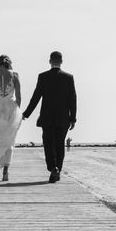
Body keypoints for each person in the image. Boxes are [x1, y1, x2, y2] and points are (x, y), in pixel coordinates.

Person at [22, 51, 76, 183]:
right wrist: (73, 118)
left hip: (47, 118)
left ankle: (52, 168)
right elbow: (72, 99)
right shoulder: (69, 77)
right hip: (63, 118)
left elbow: (36, 97)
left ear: (50, 61)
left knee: (48, 144)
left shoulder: (43, 77)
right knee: (59, 145)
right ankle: (58, 168)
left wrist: (26, 114)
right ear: (61, 61)